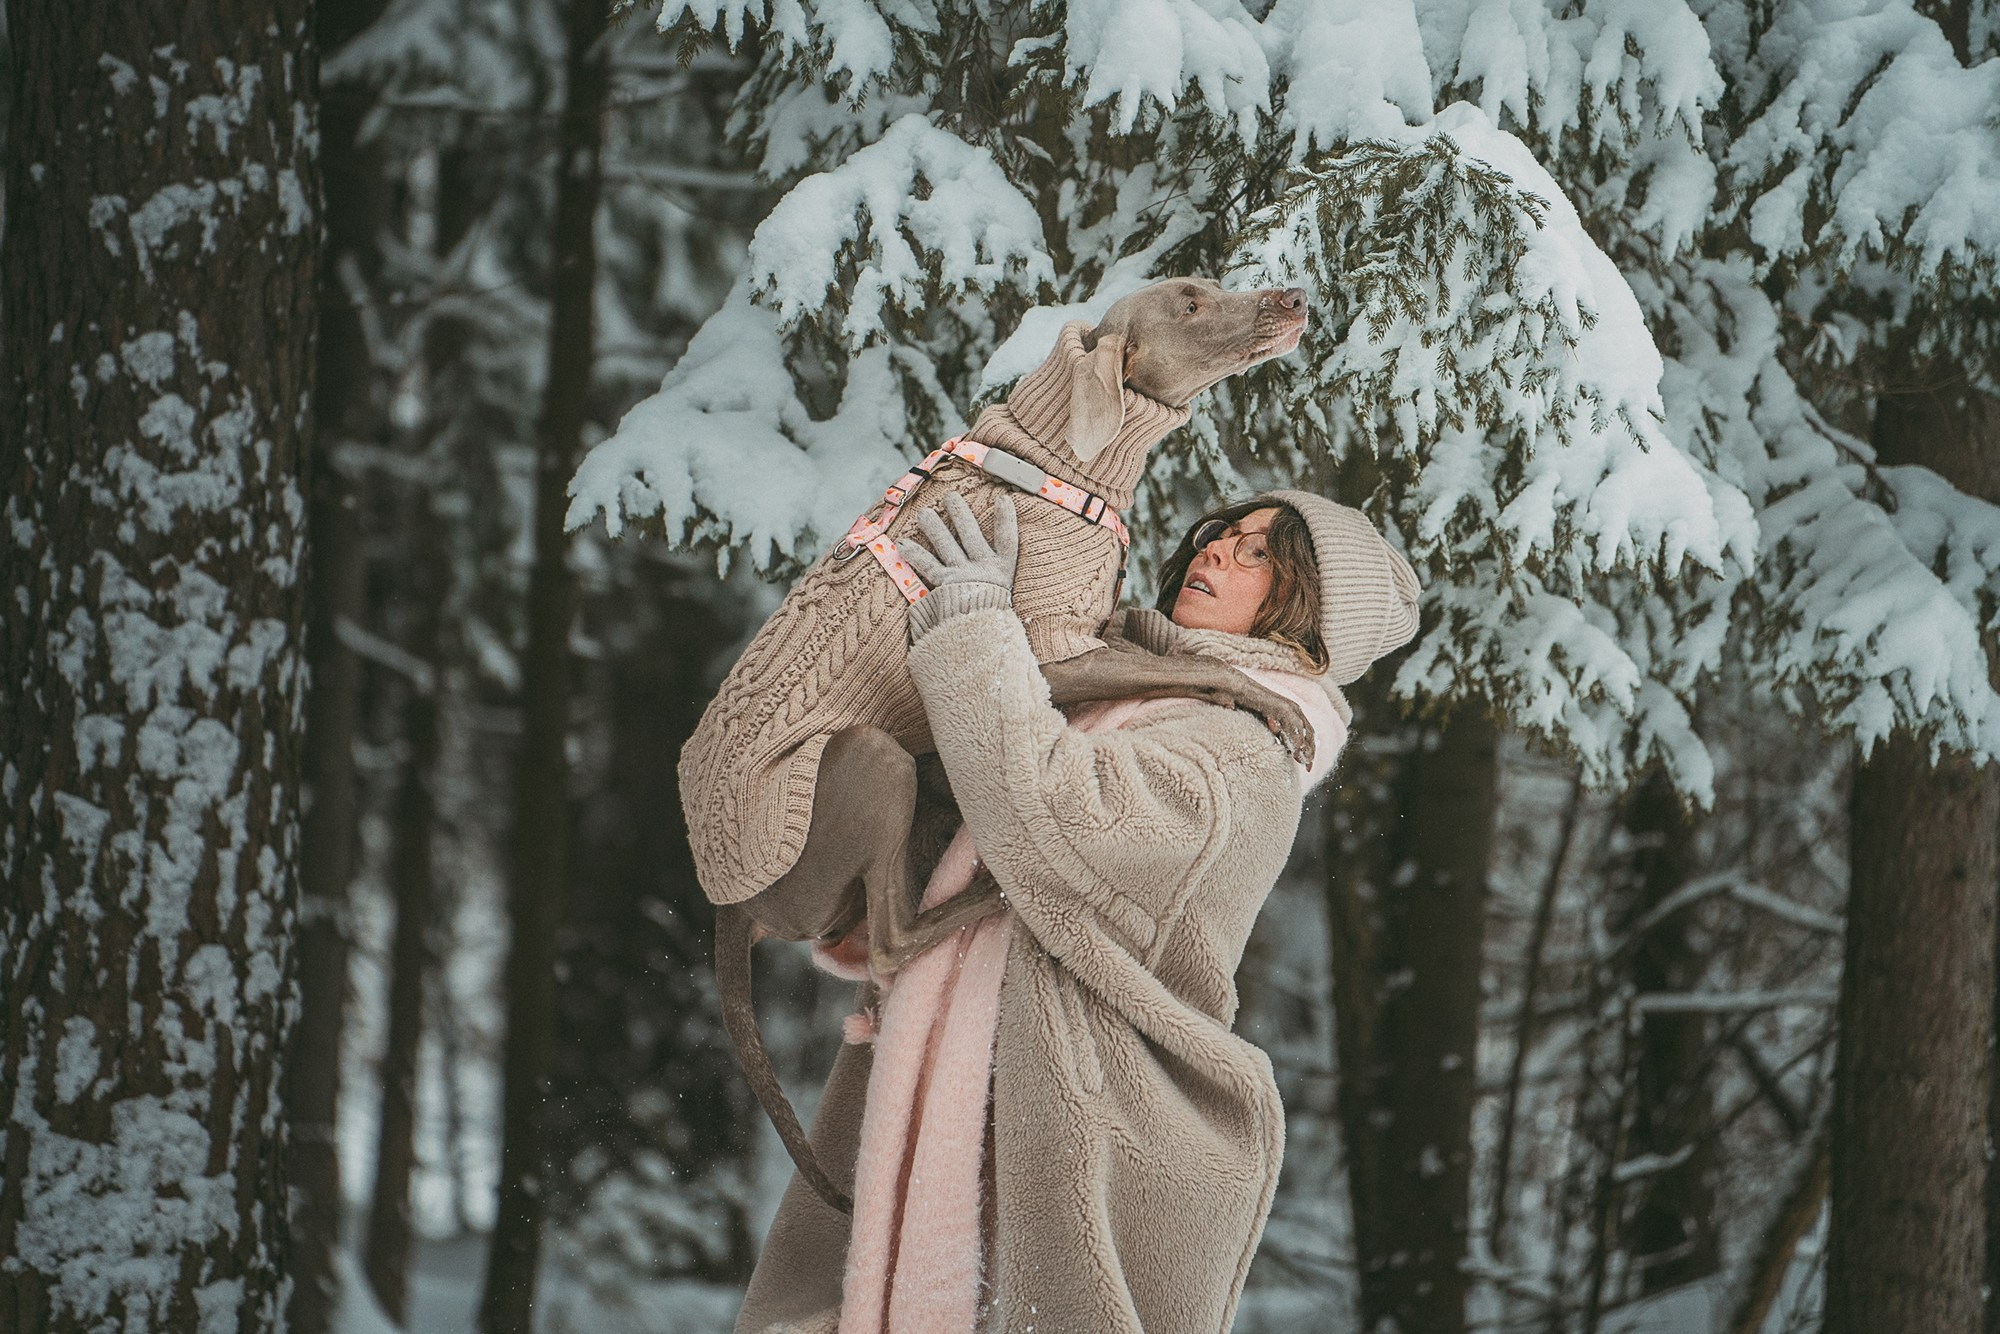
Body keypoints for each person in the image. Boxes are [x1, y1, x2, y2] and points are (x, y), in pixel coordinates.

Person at [734, 489, 1422, 1334]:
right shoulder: (1115, 698)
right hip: (952, 1093)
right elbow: (971, 856)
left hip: (1081, 1124)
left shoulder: (1244, 754)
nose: (1213, 552)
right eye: (1222, 535)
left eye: (1258, 555)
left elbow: (1054, 817)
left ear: (1307, 621)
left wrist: (975, 628)